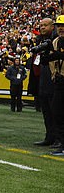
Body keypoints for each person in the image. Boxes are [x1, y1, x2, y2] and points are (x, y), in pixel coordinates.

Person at [32, 18, 58, 147]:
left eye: (45, 25)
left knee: (56, 111)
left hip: (53, 80)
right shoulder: (39, 41)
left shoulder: (57, 41)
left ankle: (58, 139)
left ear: (53, 27)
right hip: (42, 80)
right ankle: (49, 137)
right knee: (46, 111)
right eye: (40, 25)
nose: (42, 27)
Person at [44, 15, 64, 155]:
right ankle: (62, 143)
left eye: (63, 26)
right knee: (56, 111)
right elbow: (51, 61)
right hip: (59, 79)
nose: (61, 28)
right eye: (59, 26)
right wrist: (54, 74)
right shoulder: (56, 41)